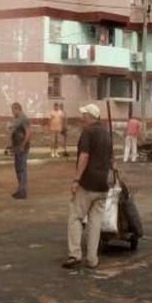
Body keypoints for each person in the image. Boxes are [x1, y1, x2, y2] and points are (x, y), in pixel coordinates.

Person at [62, 104, 112, 270]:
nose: (82, 117)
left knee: (75, 216)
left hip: (88, 183)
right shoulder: (106, 133)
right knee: (95, 223)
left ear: (90, 116)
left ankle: (75, 254)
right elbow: (112, 159)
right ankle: (92, 258)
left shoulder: (88, 132)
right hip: (102, 184)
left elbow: (84, 156)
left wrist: (76, 179)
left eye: (84, 115)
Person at [10, 102, 32, 200]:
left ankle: (23, 191)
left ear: (18, 109)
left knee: (22, 169)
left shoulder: (23, 119)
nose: (12, 112)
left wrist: (23, 145)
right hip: (16, 146)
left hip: (22, 147)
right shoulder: (16, 119)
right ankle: (20, 189)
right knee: (18, 168)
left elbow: (28, 133)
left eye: (13, 110)